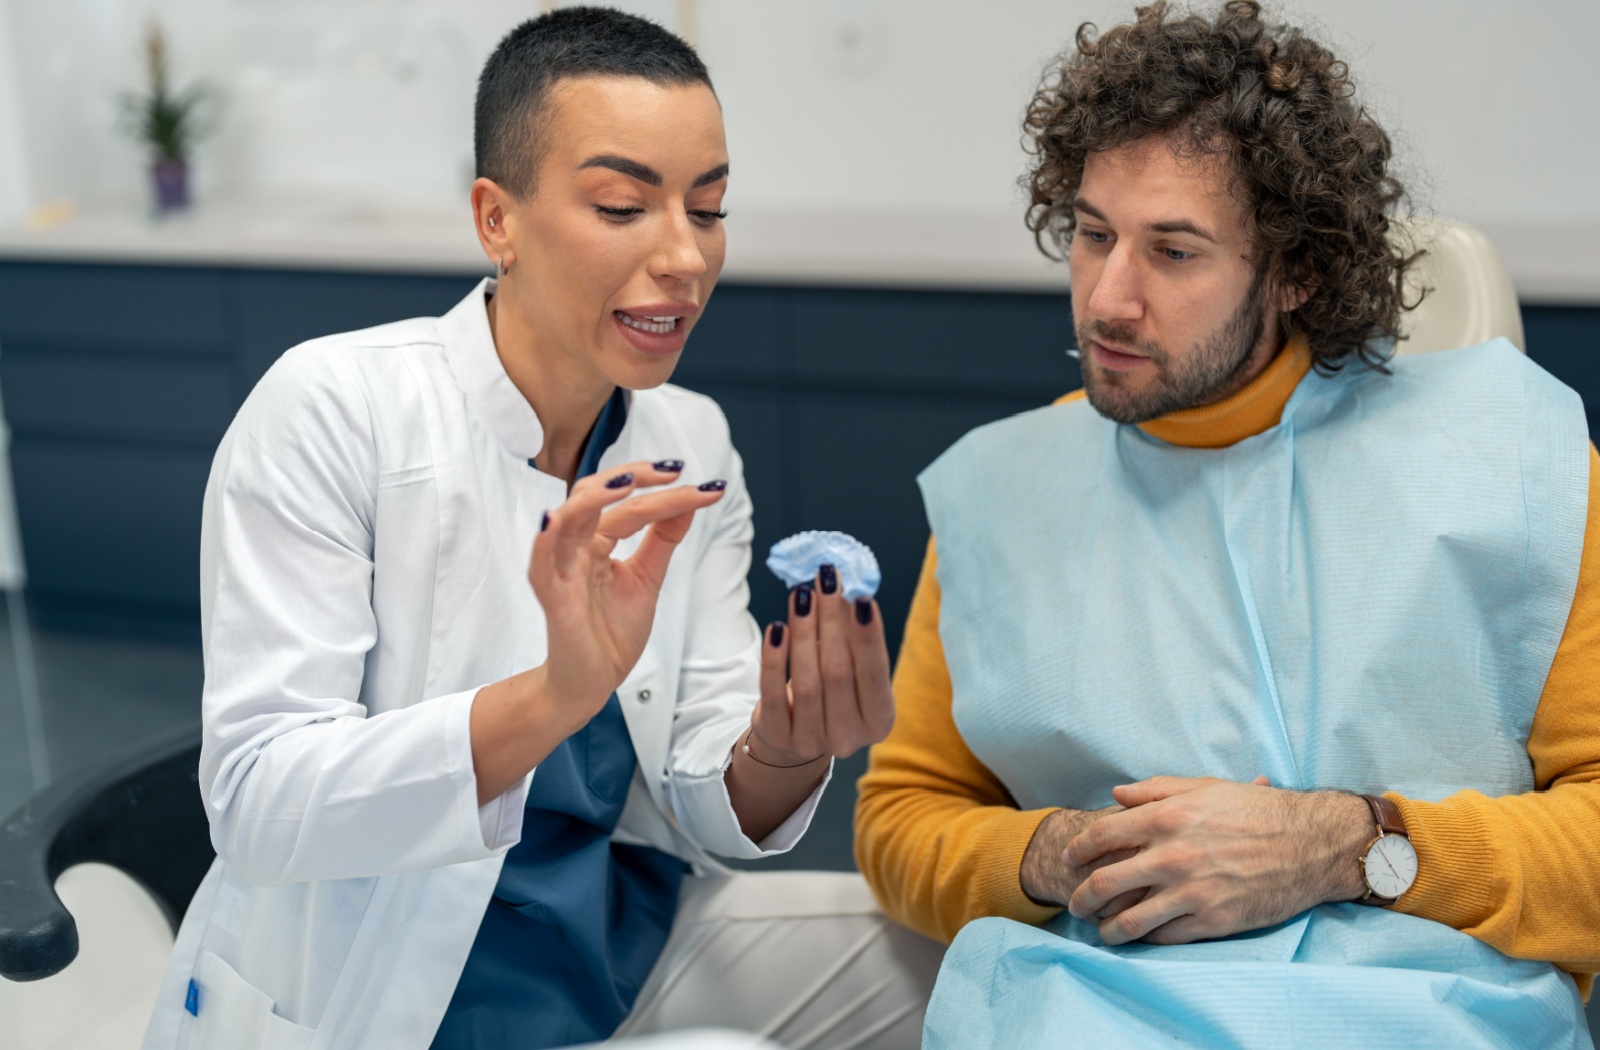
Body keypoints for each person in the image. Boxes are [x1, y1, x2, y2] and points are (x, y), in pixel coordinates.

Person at [140, 10, 939, 1050]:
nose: (686, 255)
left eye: (709, 208)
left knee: (971, 961)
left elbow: (709, 784)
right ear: (496, 219)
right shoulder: (336, 408)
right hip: (385, 1001)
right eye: (621, 205)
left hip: (619, 948)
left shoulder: (688, 440)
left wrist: (783, 746)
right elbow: (257, 801)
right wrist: (552, 698)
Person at [855, 2, 1600, 1046]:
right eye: (1091, 234)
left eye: (1173, 251)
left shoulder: (1510, 464)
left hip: (1422, 1015)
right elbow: (902, 818)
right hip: (1093, 1012)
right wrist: (1056, 854)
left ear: (1295, 270)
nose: (1107, 299)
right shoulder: (1004, 495)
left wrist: (1350, 846)